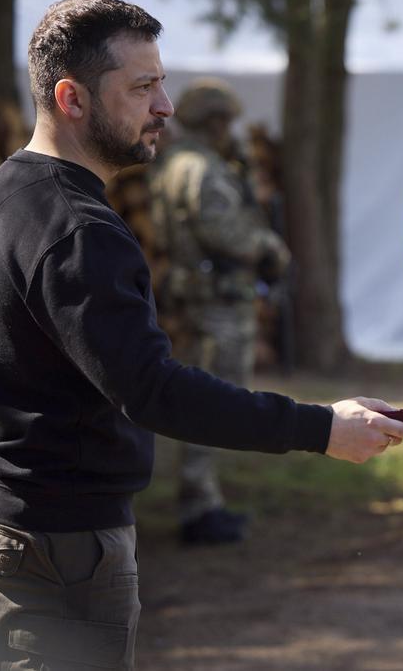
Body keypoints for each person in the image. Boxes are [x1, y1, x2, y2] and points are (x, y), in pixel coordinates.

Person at [0, 0, 403, 669]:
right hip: (58, 545)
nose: (164, 105)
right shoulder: (81, 232)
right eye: (142, 87)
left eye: (160, 82)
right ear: (71, 98)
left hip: (5, 522)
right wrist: (320, 428)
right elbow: (154, 391)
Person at [149, 79, 291, 545]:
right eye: (225, 122)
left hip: (195, 298)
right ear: (214, 122)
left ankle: (203, 499)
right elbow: (223, 231)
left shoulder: (173, 163)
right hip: (217, 305)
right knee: (214, 402)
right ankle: (199, 506)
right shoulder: (202, 169)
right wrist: (268, 245)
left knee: (201, 398)